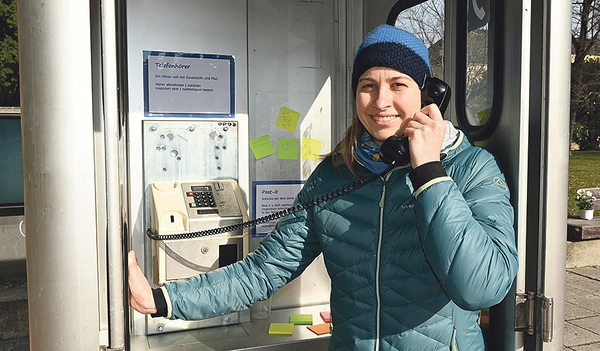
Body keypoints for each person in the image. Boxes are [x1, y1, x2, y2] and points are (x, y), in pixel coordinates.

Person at [129, 24, 518, 350]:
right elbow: (264, 271)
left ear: (428, 94)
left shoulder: (471, 168)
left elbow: (482, 287)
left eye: (398, 85)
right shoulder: (334, 175)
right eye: (368, 86)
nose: (381, 101)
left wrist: (430, 174)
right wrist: (164, 299)